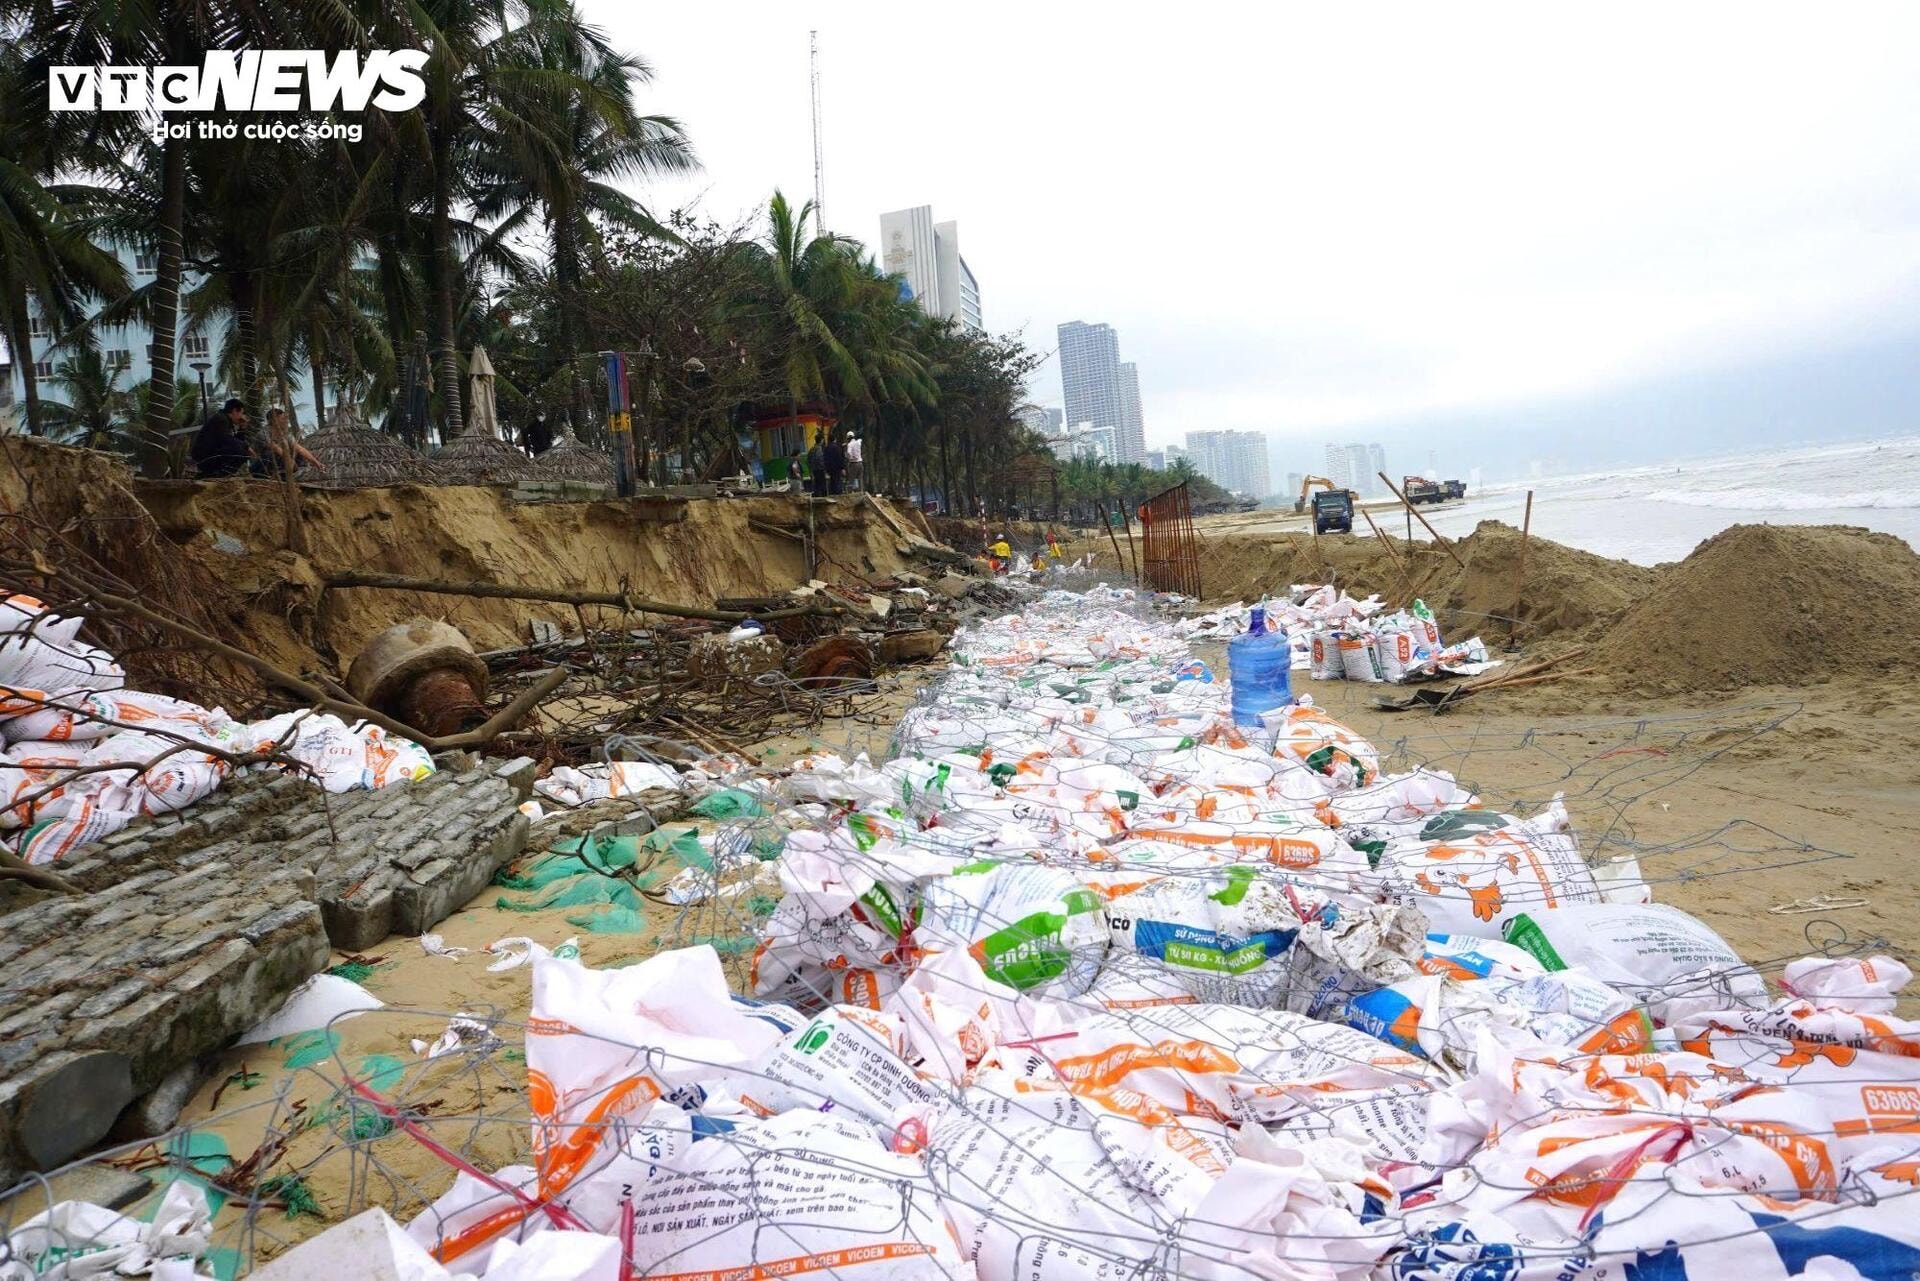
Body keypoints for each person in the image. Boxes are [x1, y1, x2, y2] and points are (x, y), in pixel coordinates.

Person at [191, 399, 256, 478]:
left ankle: (221, 474)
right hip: (206, 456)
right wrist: (247, 447)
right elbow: (227, 439)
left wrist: (242, 428)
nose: (242, 416)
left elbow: (236, 442)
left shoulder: (225, 419)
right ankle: (217, 475)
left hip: (211, 454)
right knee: (242, 453)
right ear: (235, 411)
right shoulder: (221, 419)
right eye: (241, 413)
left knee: (241, 451)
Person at [255, 406, 323, 476]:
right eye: (283, 419)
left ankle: (298, 473)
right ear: (274, 420)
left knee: (297, 451)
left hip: (283, 461)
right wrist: (290, 461)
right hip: (263, 466)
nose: (286, 421)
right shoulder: (263, 433)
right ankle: (277, 473)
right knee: (271, 453)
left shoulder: (285, 434)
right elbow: (276, 448)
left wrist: (316, 463)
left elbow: (299, 448)